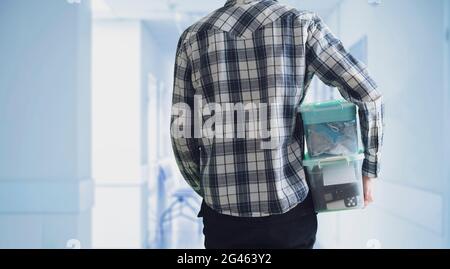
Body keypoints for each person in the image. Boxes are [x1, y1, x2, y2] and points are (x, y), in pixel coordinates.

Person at [170, 0, 384, 249]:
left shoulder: (193, 37)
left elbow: (181, 131)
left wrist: (209, 187)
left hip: (223, 219)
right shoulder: (301, 24)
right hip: (290, 215)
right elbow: (368, 94)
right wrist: (369, 170)